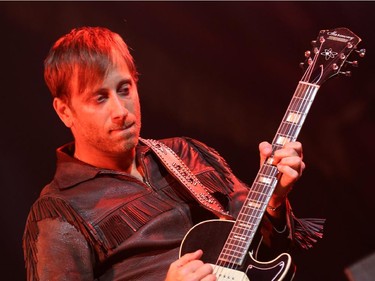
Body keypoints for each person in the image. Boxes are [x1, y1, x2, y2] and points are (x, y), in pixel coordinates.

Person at [23, 26, 323, 281]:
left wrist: (274, 200)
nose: (120, 111)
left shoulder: (186, 152)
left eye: (124, 89)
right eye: (99, 98)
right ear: (65, 111)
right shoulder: (60, 213)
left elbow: (267, 249)